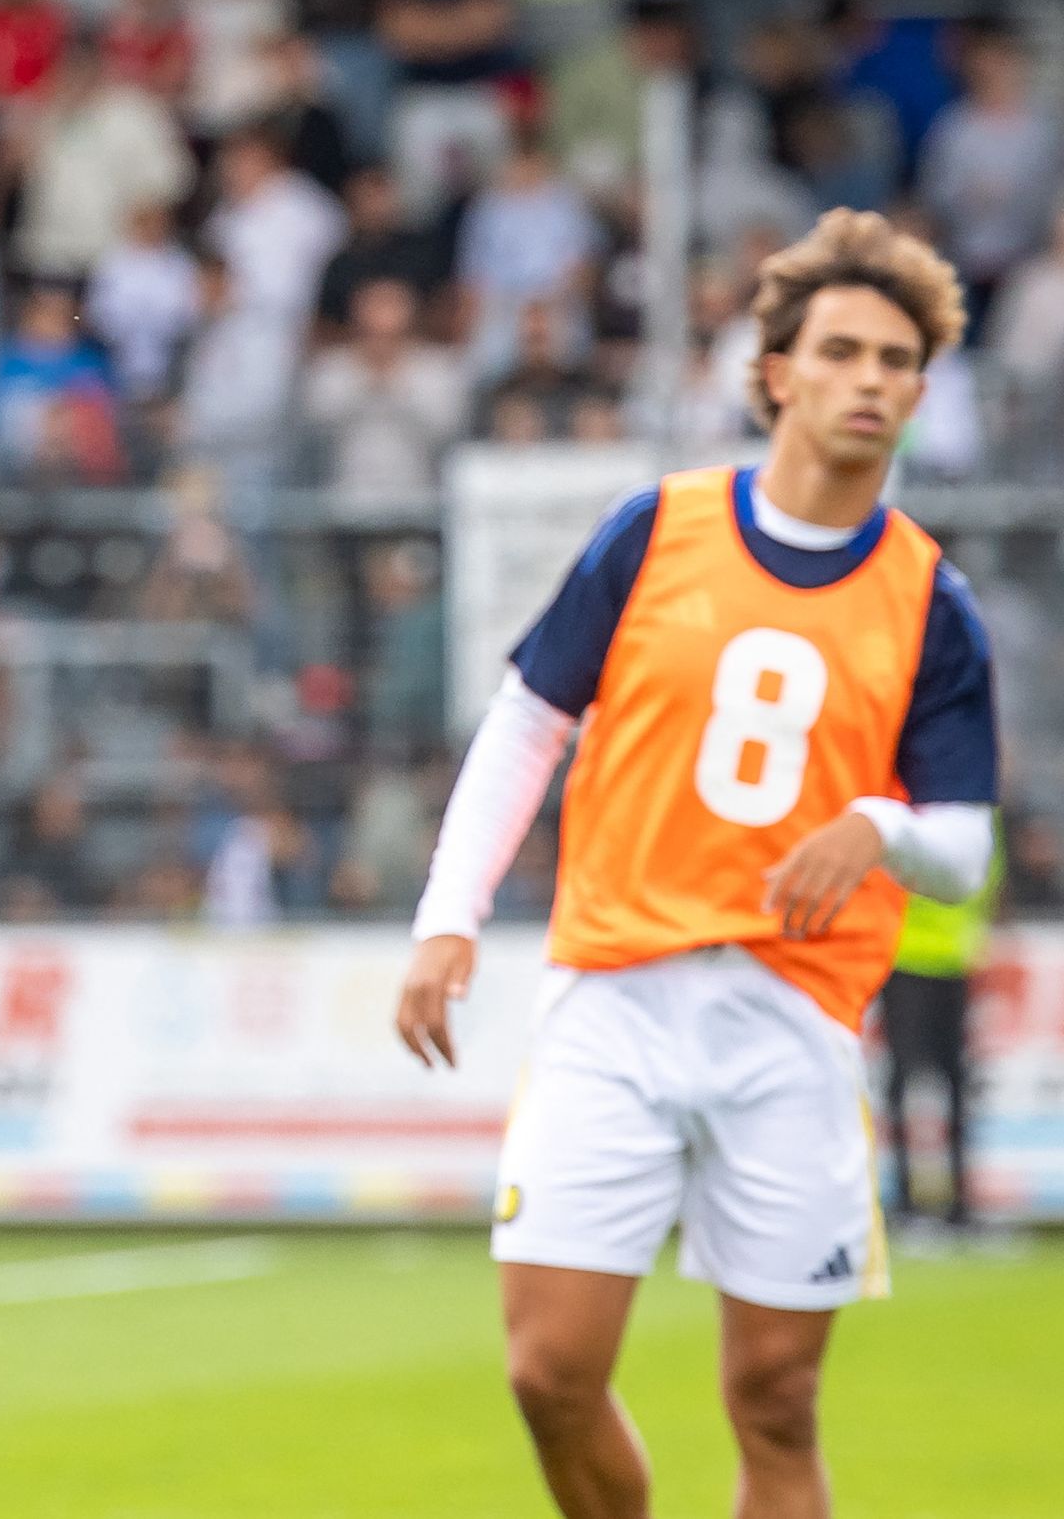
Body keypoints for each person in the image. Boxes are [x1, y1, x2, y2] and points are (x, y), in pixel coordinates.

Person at [394, 209, 999, 1519]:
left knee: (775, 1398)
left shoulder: (930, 601)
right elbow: (528, 721)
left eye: (896, 360)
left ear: (918, 393)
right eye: (840, 350)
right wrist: (449, 914)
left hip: (795, 1020)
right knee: (550, 1371)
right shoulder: (655, 529)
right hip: (613, 992)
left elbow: (964, 843)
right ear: (777, 371)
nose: (868, 379)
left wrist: (881, 826)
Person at [881, 822, 1001, 1231]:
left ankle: (948, 1204)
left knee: (940, 1084)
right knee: (917, 1083)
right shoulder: (966, 814)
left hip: (942, 959)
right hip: (912, 959)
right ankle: (918, 1203)